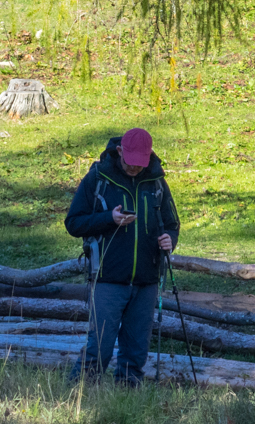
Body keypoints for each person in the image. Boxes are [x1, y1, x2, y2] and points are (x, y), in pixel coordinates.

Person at [64, 128, 180, 385]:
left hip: (146, 281)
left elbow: (172, 224)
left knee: (137, 351)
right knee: (100, 347)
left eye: (140, 163)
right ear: (119, 152)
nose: (135, 168)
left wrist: (169, 240)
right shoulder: (98, 178)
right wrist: (109, 219)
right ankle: (78, 394)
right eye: (130, 162)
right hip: (108, 278)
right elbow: (73, 223)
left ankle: (128, 400)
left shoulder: (157, 182)